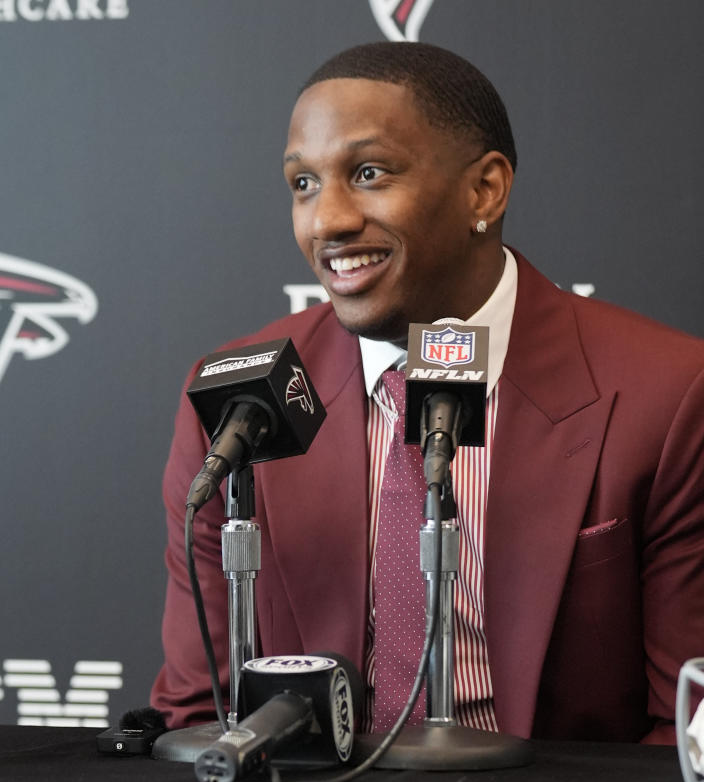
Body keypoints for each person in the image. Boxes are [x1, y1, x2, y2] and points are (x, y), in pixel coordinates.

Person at [151, 41, 704, 744]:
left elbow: (688, 731)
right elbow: (201, 714)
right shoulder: (238, 408)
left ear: (485, 191)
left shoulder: (668, 394)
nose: (328, 221)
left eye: (369, 173)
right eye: (303, 184)